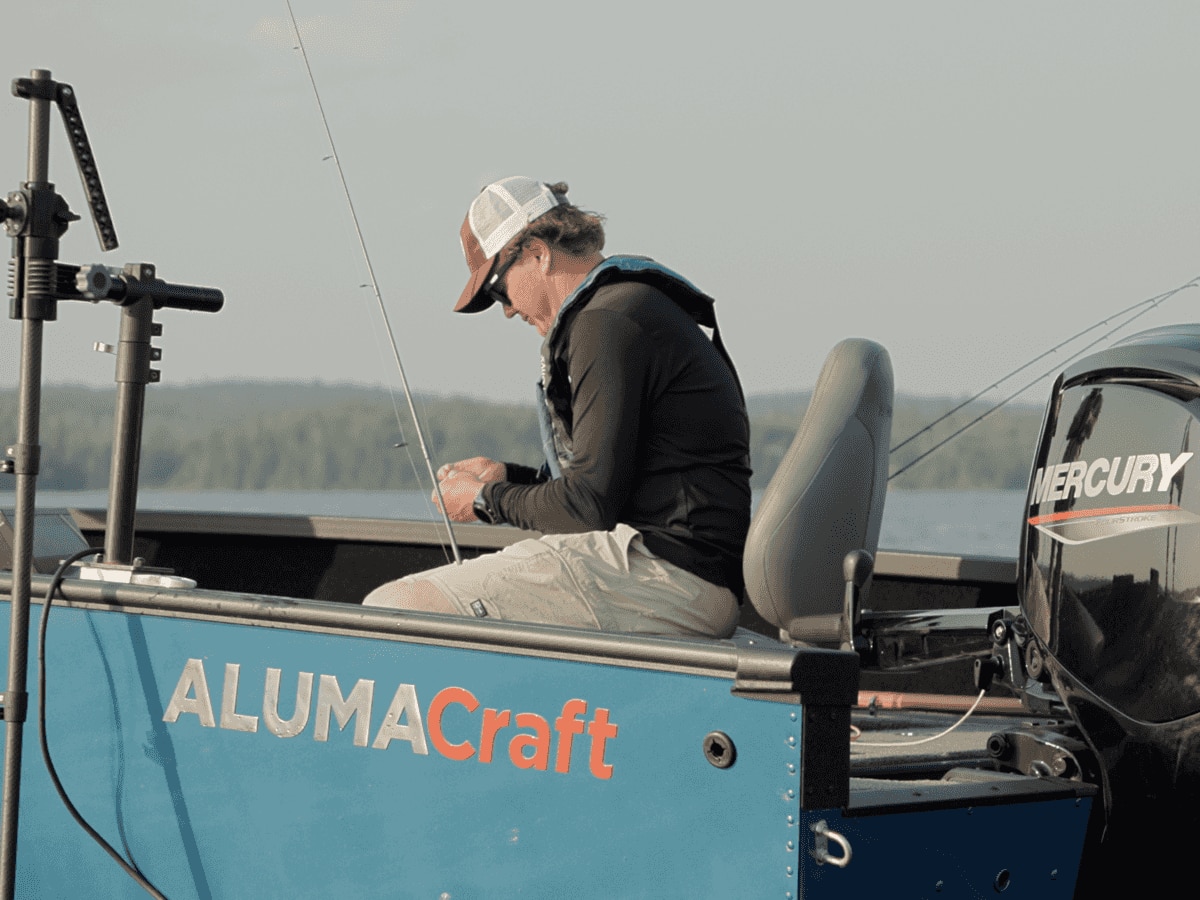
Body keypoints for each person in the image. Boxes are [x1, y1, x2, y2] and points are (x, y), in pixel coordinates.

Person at [363, 176, 751, 638]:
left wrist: (485, 501)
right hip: (692, 575)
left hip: (667, 576)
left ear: (536, 253)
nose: (505, 310)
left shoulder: (604, 323)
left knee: (390, 608)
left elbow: (587, 508)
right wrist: (510, 477)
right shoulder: (630, 306)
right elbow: (607, 487)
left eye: (497, 288)